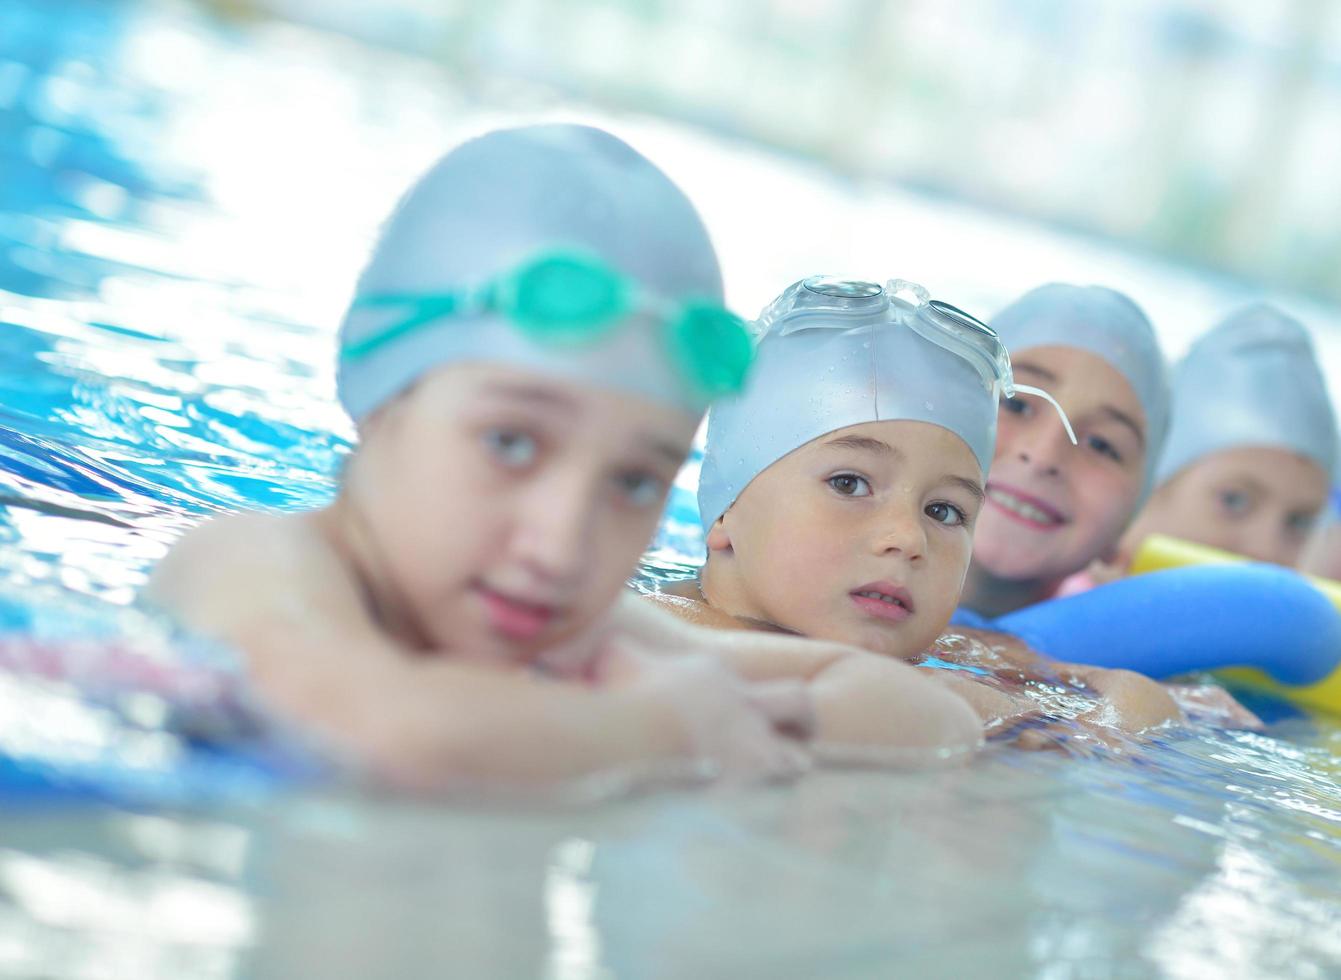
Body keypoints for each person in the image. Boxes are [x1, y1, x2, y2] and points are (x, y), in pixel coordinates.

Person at [146, 126, 982, 791]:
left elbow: (921, 714)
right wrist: (668, 728)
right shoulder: (251, 560)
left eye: (632, 482)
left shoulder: (565, 629)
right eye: (510, 444)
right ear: (380, 392)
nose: (563, 542)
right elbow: (387, 733)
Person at [651, 276, 1184, 740]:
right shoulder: (648, 628)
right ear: (726, 508)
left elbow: (1133, 703)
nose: (908, 538)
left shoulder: (955, 656)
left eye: (945, 512)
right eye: (849, 483)